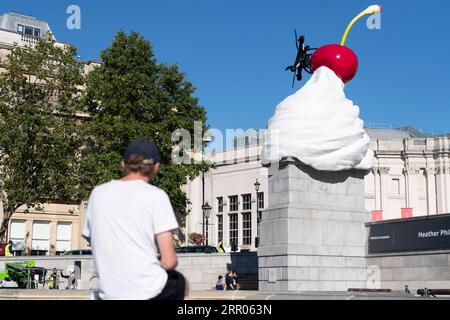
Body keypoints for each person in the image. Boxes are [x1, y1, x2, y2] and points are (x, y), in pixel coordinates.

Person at [82, 139, 188, 300]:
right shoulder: (156, 196)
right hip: (147, 291)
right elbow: (169, 261)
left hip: (108, 294)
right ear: (156, 166)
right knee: (182, 282)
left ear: (123, 164)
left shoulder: (97, 193)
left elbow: (92, 238)